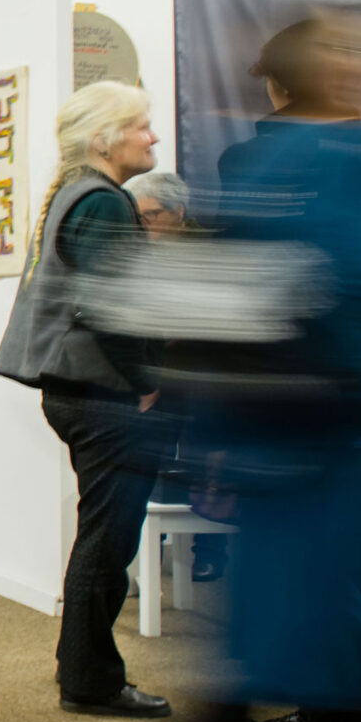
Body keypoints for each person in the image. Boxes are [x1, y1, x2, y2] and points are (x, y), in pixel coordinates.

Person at [92, 15, 361, 722]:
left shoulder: (275, 170)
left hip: (307, 463)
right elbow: (356, 301)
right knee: (259, 670)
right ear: (304, 78)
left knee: (349, 662)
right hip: (310, 466)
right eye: (358, 54)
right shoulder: (323, 172)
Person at [0, 81, 171, 718]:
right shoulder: (101, 203)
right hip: (102, 398)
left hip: (81, 396)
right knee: (106, 540)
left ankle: (81, 668)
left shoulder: (80, 196)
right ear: (104, 139)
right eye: (142, 125)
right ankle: (91, 682)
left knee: (101, 535)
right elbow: (112, 308)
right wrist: (147, 379)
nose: (153, 136)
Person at [124, 172, 231, 584]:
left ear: (179, 213)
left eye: (151, 215)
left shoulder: (211, 249)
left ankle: (210, 551)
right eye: (138, 216)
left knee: (207, 461)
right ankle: (148, 551)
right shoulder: (132, 250)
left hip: (207, 378)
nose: (143, 224)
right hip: (157, 378)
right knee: (148, 459)